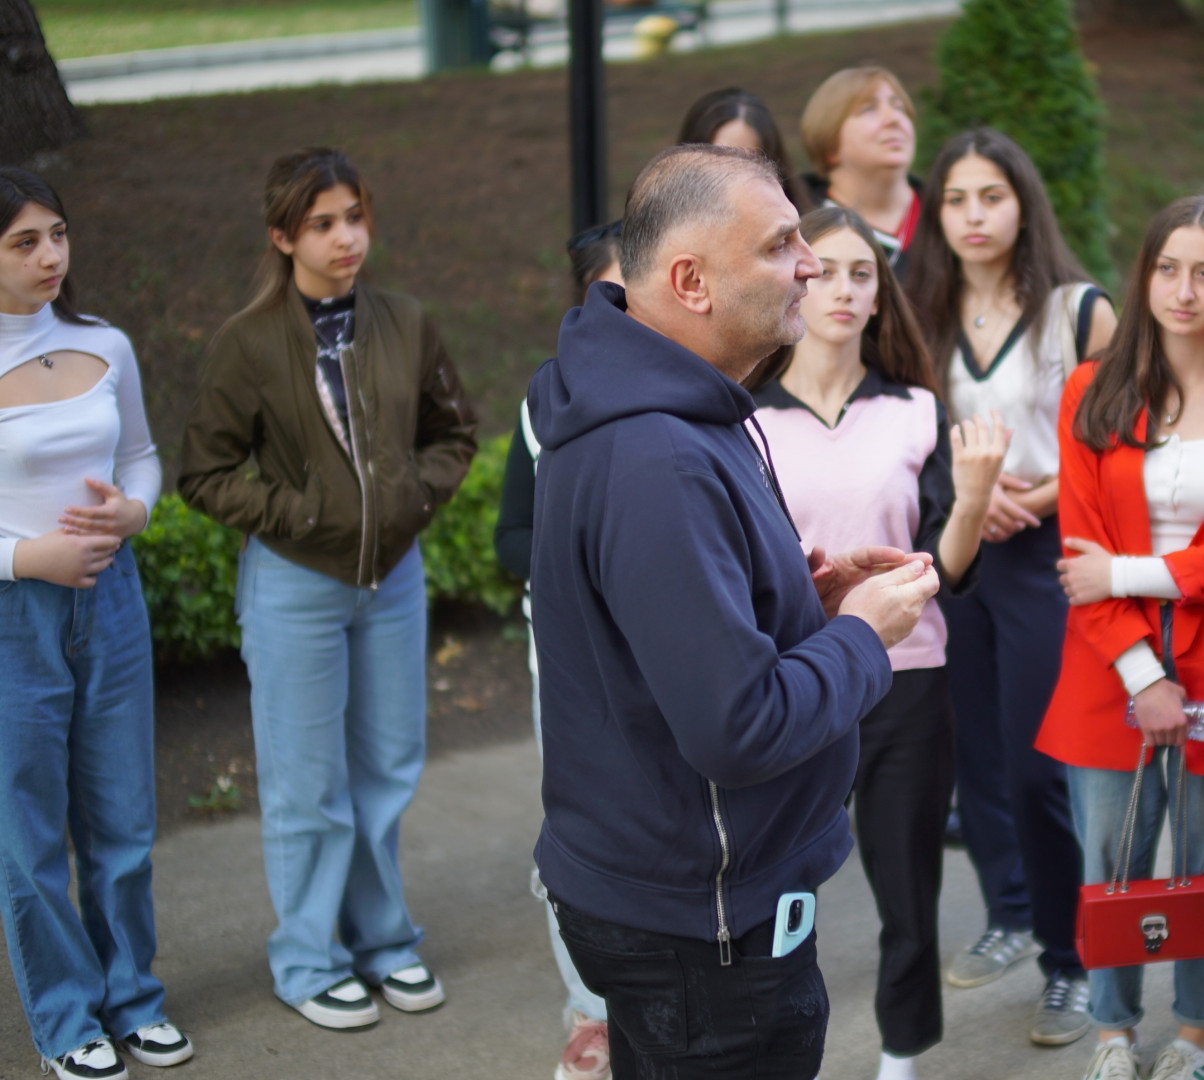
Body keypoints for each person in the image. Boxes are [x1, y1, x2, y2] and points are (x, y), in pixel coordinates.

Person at [526, 144, 940, 1080]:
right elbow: (737, 726)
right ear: (691, 282)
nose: (810, 264)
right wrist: (861, 635)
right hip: (702, 931)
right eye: (783, 244)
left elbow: (667, 645)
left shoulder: (663, 407)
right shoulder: (657, 458)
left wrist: (807, 603)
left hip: (676, 909)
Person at [178, 146, 478, 1030]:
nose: (347, 237)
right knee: (310, 783)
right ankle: (308, 958)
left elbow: (453, 432)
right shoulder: (247, 342)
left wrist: (411, 498)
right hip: (295, 584)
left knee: (386, 768)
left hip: (391, 580)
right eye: (322, 224)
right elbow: (206, 472)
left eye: (354, 216)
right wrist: (304, 514)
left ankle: (384, 940)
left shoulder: (406, 321)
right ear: (283, 237)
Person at [1043, 194, 1204, 1080]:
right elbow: (1078, 546)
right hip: (1106, 665)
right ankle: (1114, 1031)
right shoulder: (1092, 388)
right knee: (1109, 860)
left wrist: (1126, 573)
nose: (1183, 290)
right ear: (1144, 272)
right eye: (1168, 269)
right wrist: (1139, 670)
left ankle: (1194, 1035)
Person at [747, 205, 1008, 1080]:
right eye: (826, 268)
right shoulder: (742, 419)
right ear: (793, 275)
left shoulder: (917, 411)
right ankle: (774, 1038)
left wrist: (971, 501)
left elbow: (947, 566)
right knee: (779, 883)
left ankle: (902, 1051)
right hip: (792, 680)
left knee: (907, 883)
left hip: (906, 676)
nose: (846, 288)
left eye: (864, 273)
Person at [901, 127, 1116, 1045]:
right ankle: (1012, 911)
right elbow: (908, 438)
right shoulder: (921, 309)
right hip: (959, 543)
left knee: (1039, 762)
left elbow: (1121, 440)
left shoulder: (1079, 309)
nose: (974, 215)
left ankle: (1072, 960)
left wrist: (1035, 492)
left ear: (1022, 202)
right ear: (936, 213)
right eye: (956, 199)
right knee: (974, 754)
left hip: (1047, 551)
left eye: (991, 196)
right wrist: (965, 501)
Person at [0, 168, 192, 1080]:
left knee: (121, 822)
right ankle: (68, 1019)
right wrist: (22, 559)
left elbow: (143, 458)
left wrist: (134, 515)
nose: (50, 257)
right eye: (24, 242)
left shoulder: (104, 343)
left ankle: (134, 999)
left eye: (58, 235)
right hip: (13, 619)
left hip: (113, 603)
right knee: (30, 838)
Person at [493, 221, 623, 1080]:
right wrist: (580, 567)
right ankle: (589, 1011)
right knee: (580, 826)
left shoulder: (714, 391)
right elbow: (511, 537)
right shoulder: (547, 404)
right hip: (576, 657)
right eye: (614, 289)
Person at [800, 66, 920, 268]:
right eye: (869, 109)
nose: (894, 119)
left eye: (899, 107)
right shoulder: (794, 225)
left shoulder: (948, 213)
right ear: (830, 142)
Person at [677, 86, 812, 212]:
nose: (730, 174)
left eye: (746, 162)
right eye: (718, 159)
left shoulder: (796, 227)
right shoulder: (663, 226)